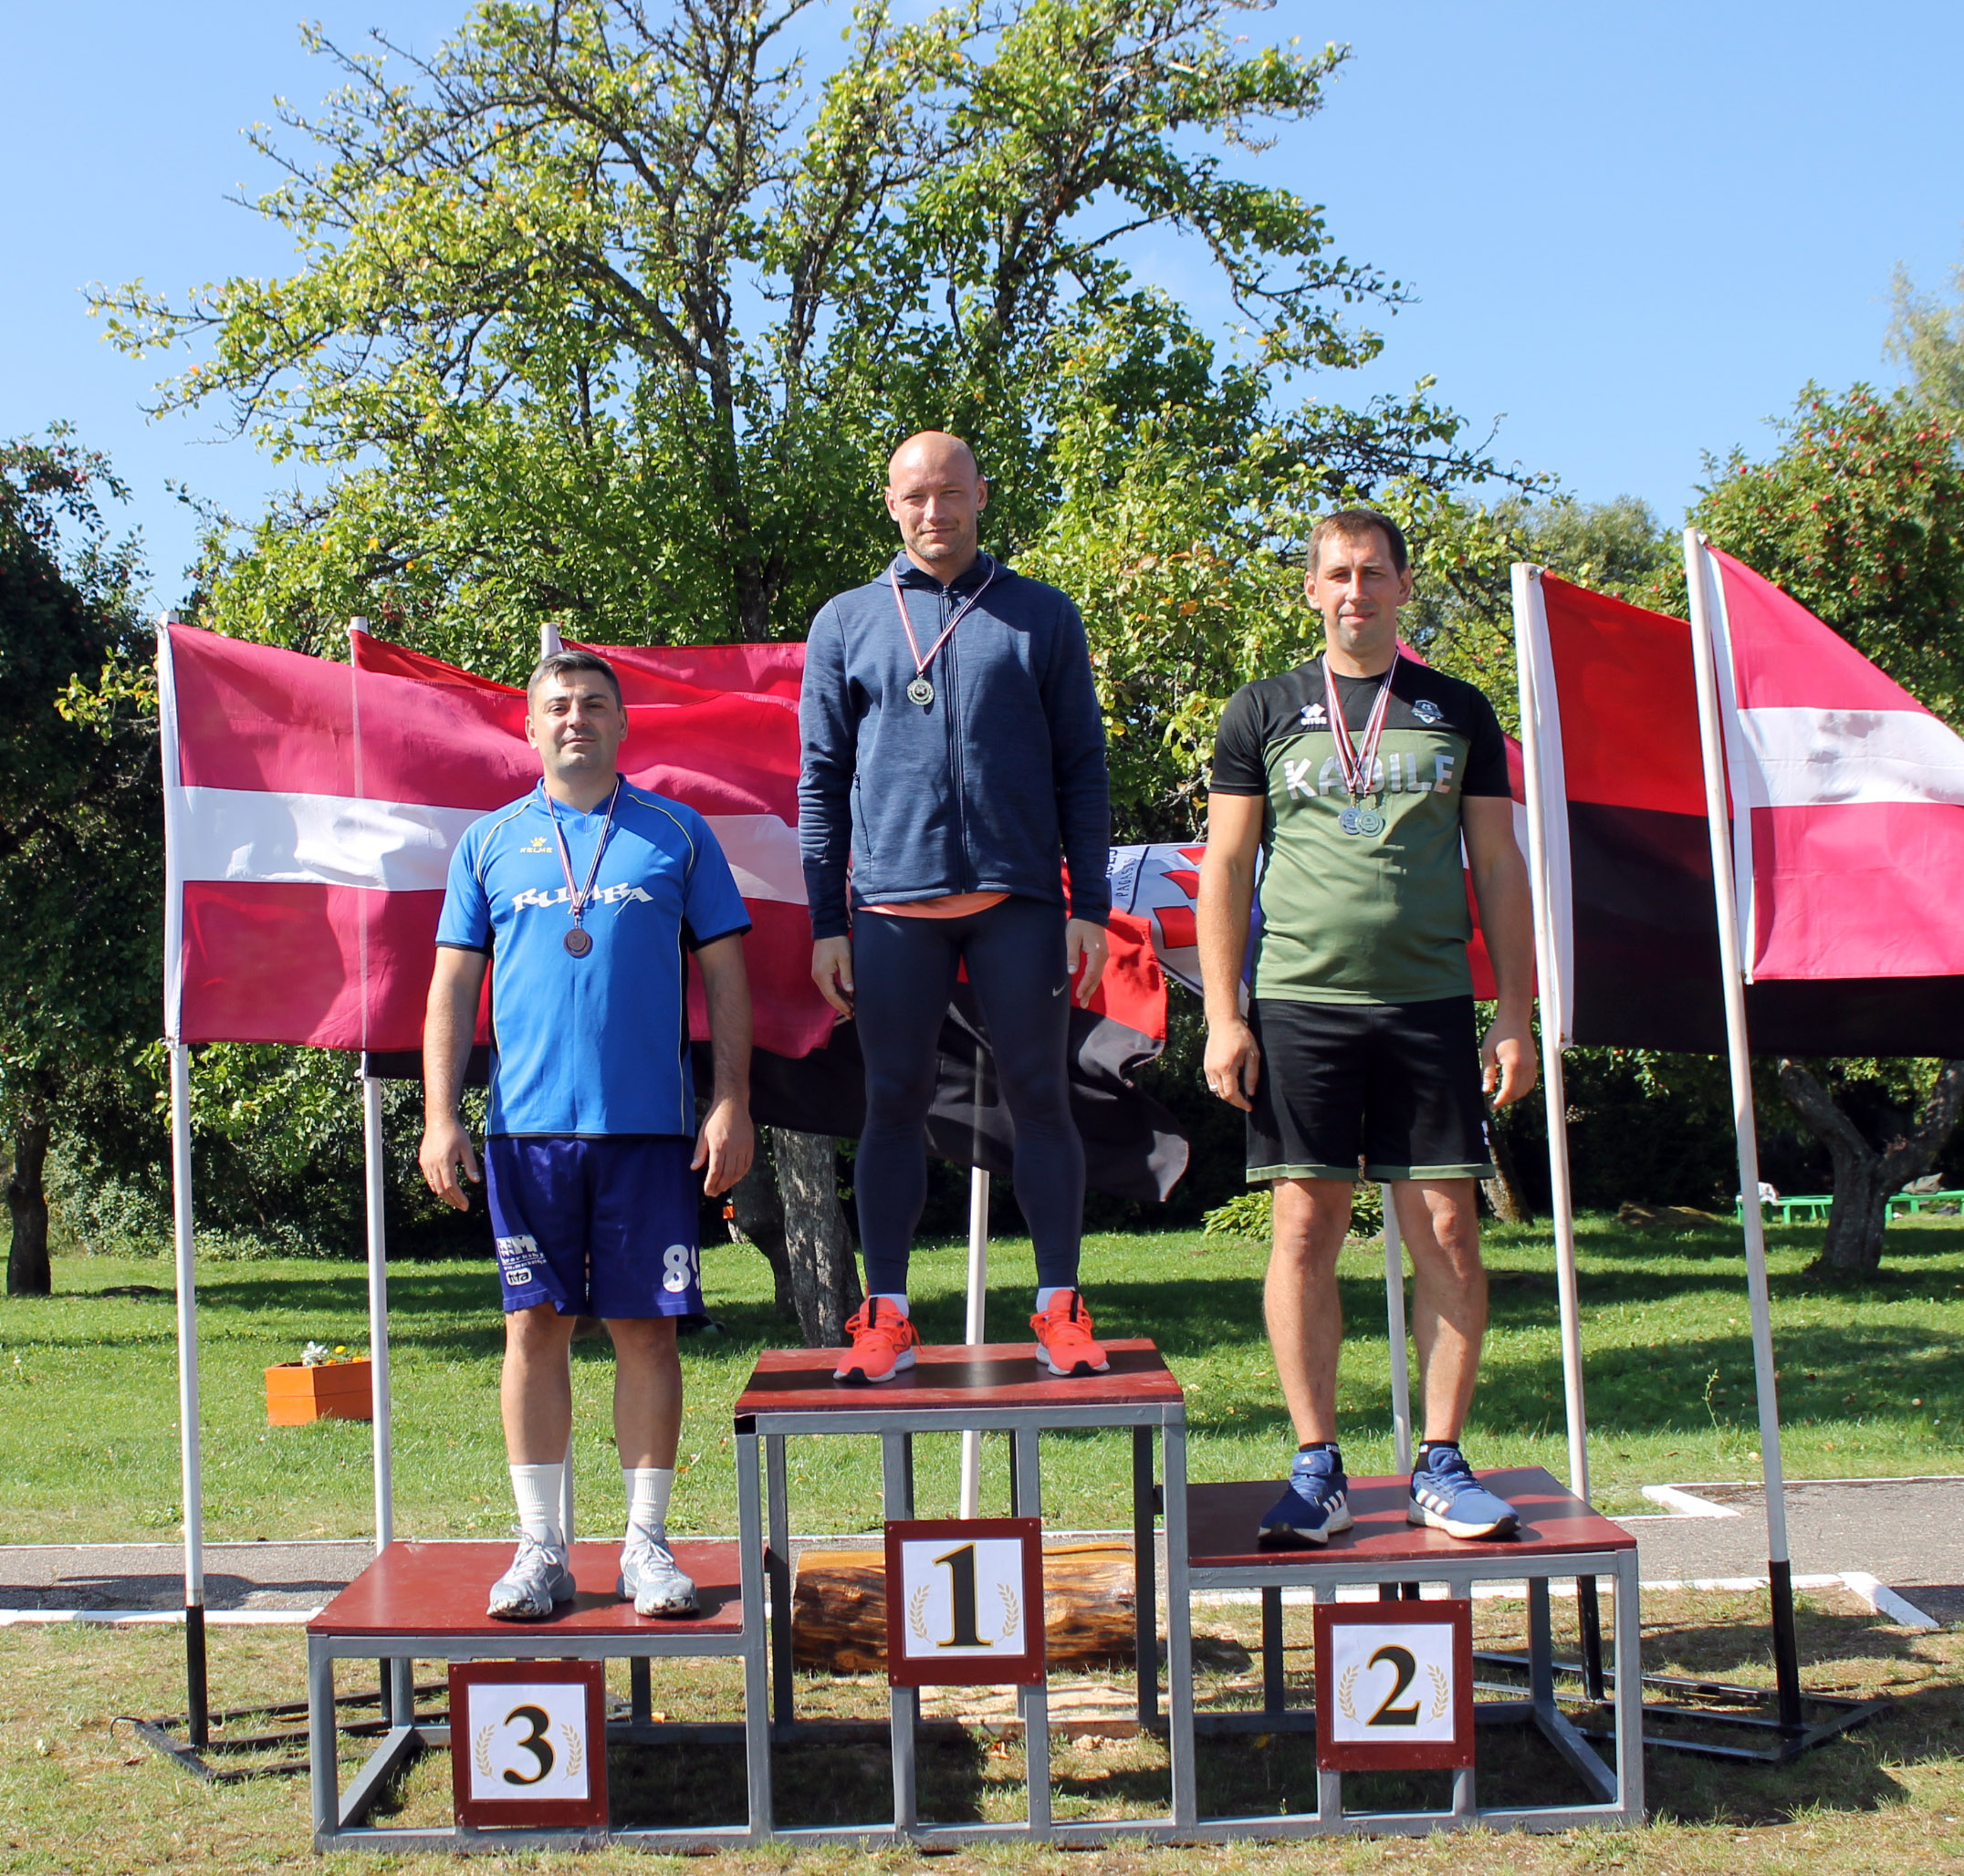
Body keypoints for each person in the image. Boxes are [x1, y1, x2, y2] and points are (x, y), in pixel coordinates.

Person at [1197, 507, 1536, 1545]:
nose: (1357, 591)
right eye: (1338, 574)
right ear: (1311, 589)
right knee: (1306, 1229)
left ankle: (1441, 1462)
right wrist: (1223, 1014)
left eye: (1374, 573)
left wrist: (1514, 1012)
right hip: (1300, 1003)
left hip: (1428, 1003)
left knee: (1448, 1229)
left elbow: (1498, 864)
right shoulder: (1262, 709)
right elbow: (1226, 866)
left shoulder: (1457, 709)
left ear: (1402, 586)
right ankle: (1316, 1469)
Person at [419, 650, 756, 1620]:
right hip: (526, 1134)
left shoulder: (676, 833)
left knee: (647, 1329)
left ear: (621, 722)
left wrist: (730, 1101)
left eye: (594, 704)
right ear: (530, 728)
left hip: (648, 1131)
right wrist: (441, 1116)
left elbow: (727, 976)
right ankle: (541, 1547)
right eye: (558, 706)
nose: (576, 718)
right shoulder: (488, 842)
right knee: (533, 1327)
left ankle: (646, 1546)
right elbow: (452, 988)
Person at [799, 430, 1113, 1383]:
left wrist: (1090, 904)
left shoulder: (1041, 614)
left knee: (1041, 1098)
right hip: (893, 907)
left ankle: (1059, 1307)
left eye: (950, 493)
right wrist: (826, 922)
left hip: (1018, 902)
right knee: (891, 1103)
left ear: (980, 495)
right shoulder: (847, 619)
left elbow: (1081, 768)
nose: (933, 511)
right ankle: (886, 1316)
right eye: (915, 497)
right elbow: (820, 780)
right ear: (891, 505)